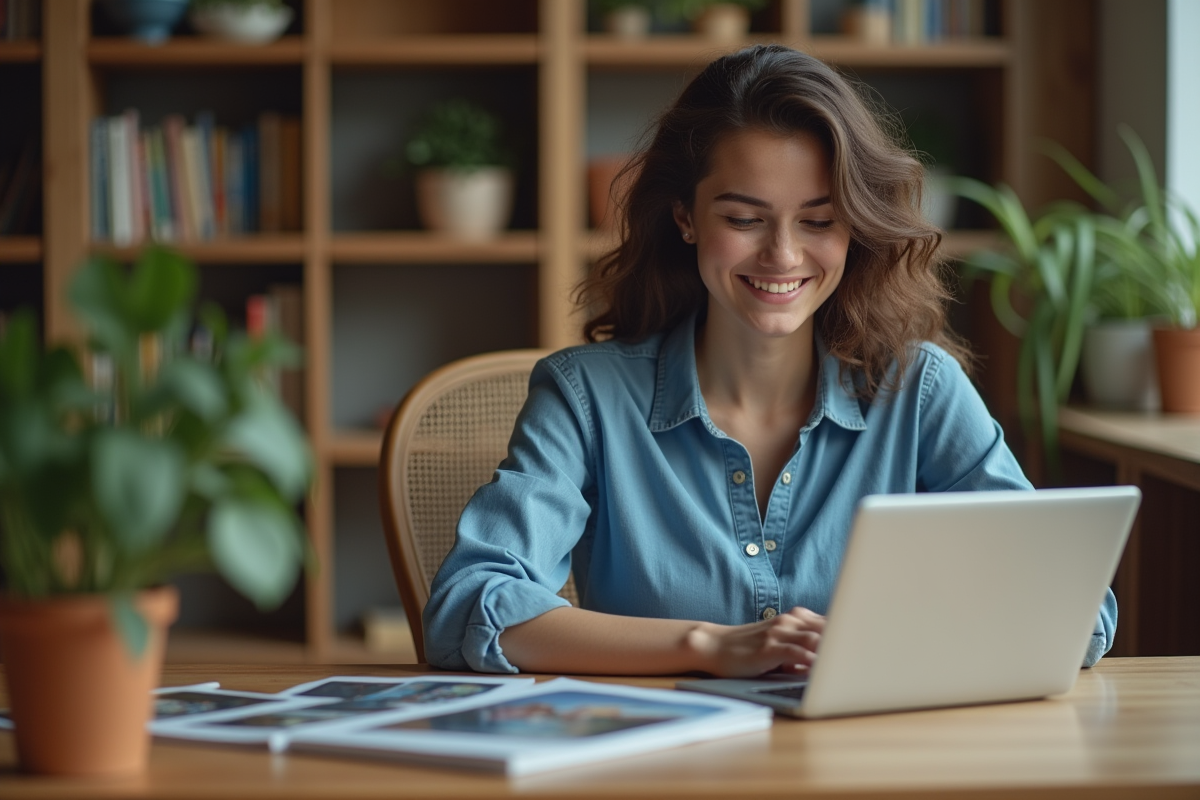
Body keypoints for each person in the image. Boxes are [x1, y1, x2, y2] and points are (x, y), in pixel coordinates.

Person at [423, 44, 1117, 676]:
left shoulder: (921, 389)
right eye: (744, 218)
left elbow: (1079, 613)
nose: (783, 256)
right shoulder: (586, 397)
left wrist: (870, 644)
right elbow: (470, 606)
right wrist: (709, 645)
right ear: (685, 217)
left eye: (818, 220)